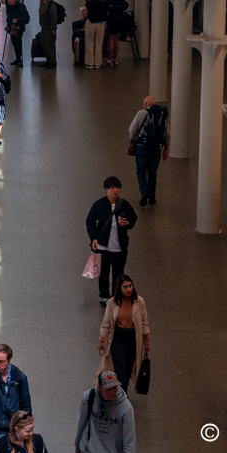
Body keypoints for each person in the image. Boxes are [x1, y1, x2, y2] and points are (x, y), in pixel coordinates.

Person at [85, 177, 138, 305]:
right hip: (102, 247)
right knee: (103, 274)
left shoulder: (124, 204)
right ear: (106, 189)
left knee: (118, 274)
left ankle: (116, 296)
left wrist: (127, 223)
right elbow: (90, 222)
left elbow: (133, 219)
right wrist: (94, 238)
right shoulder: (99, 205)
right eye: (112, 188)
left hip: (119, 248)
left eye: (117, 188)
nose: (115, 190)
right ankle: (104, 296)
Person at [97, 275, 150, 393]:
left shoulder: (139, 302)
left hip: (133, 338)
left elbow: (144, 323)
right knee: (120, 368)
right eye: (125, 287)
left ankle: (123, 389)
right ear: (119, 288)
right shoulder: (112, 302)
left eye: (130, 286)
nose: (128, 289)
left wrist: (146, 342)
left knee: (129, 368)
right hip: (118, 337)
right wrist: (102, 340)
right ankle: (121, 394)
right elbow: (106, 322)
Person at [74, 371, 136, 453]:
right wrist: (77, 448)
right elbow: (81, 424)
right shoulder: (88, 397)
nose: (113, 392)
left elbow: (129, 441)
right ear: (100, 388)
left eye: (115, 388)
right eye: (108, 389)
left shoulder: (126, 408)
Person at [127, 96, 169, 205]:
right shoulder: (161, 115)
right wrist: (166, 149)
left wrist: (132, 140)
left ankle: (144, 191)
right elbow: (167, 134)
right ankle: (152, 197)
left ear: (145, 104)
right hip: (156, 148)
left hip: (142, 147)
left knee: (141, 171)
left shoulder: (141, 113)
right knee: (152, 172)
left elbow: (132, 129)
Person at [3, 0, 30, 68]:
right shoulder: (9, 7)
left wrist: (18, 20)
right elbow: (9, 17)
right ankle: (17, 58)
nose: (10, 1)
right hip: (12, 29)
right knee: (14, 43)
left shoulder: (21, 7)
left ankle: (19, 59)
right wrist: (8, 26)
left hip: (19, 28)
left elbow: (26, 19)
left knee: (18, 43)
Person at [84, 0, 109, 69]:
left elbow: (85, 15)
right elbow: (107, 13)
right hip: (101, 24)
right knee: (99, 44)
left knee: (90, 43)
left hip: (91, 23)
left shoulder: (88, 3)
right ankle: (98, 63)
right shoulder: (103, 3)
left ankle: (90, 63)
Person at [35, 0, 60, 69]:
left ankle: (53, 62)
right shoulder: (42, 3)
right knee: (44, 44)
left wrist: (53, 28)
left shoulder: (50, 4)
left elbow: (53, 17)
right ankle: (48, 60)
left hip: (49, 29)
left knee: (50, 45)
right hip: (43, 28)